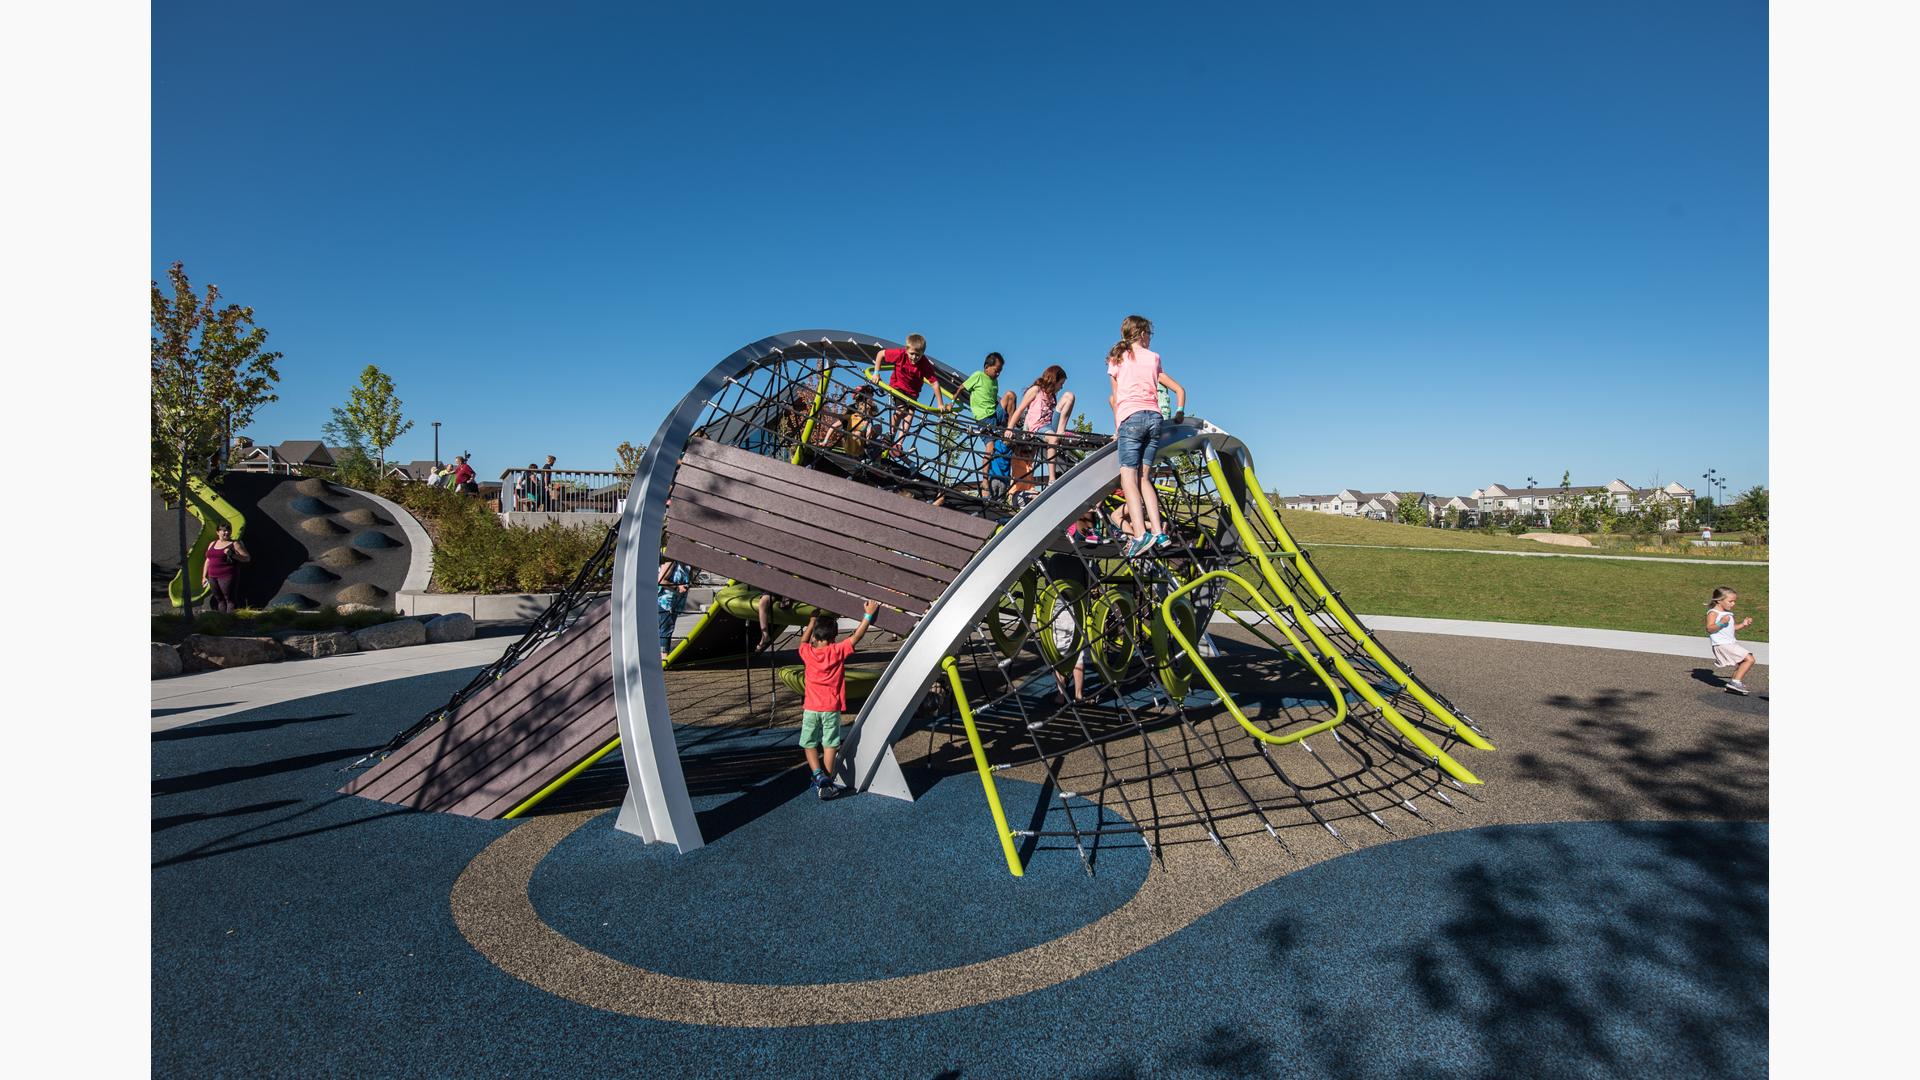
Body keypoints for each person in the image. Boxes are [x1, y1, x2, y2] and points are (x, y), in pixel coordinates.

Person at [1106, 315, 1186, 557]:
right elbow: (1176, 388)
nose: (1150, 338)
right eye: (1149, 334)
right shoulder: (1154, 358)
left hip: (1132, 417)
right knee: (1145, 478)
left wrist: (1118, 428)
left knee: (1128, 478)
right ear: (1141, 333)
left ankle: (1140, 534)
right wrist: (1180, 411)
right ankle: (1159, 532)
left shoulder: (1117, 358)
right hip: (1154, 418)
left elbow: (1117, 397)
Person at [797, 599, 881, 799]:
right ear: (833, 637)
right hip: (831, 708)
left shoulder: (807, 652)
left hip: (811, 708)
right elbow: (856, 636)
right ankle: (826, 782)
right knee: (830, 744)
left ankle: (817, 774)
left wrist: (811, 621)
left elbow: (802, 641)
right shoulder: (837, 651)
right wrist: (868, 615)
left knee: (808, 743)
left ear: (815, 636)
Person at [873, 334, 950, 452]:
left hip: (912, 393)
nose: (914, 357)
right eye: (912, 354)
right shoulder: (900, 354)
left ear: (923, 353)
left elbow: (934, 383)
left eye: (918, 355)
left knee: (910, 415)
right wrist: (876, 373)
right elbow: (880, 354)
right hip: (897, 387)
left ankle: (899, 443)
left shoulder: (924, 364)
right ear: (906, 350)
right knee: (901, 410)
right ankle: (891, 433)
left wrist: (940, 404)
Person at [1010, 364, 1072, 483]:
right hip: (1038, 427)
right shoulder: (1036, 390)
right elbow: (1020, 410)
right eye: (1061, 384)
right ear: (1054, 380)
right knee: (1052, 439)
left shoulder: (1052, 395)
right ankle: (1052, 478)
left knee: (1069, 396)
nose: (1061, 387)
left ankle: (1061, 431)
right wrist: (1010, 428)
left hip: (1050, 425)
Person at [1705, 586, 1757, 694]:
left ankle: (1733, 684)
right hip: (1722, 644)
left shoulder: (1727, 614)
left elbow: (1731, 628)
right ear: (1719, 600)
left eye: (1734, 601)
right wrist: (1721, 623)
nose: (1733, 604)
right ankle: (1735, 682)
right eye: (1730, 601)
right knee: (1749, 659)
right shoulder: (1714, 613)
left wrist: (1743, 624)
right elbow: (1710, 628)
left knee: (1744, 661)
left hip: (1729, 643)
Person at [202, 522, 249, 613]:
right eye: (223, 531)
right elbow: (208, 560)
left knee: (230, 600)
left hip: (227, 576)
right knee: (219, 599)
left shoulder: (234, 544)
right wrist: (204, 576)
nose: (226, 533)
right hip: (212, 576)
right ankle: (223, 620)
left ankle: (232, 621)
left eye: (228, 530)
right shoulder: (212, 544)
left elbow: (247, 558)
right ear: (218, 532)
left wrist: (232, 555)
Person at [657, 558, 693, 661]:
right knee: (665, 628)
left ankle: (663, 655)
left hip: (676, 603)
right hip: (665, 602)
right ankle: (664, 657)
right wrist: (677, 587)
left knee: (668, 627)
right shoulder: (671, 562)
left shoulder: (687, 565)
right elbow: (661, 580)